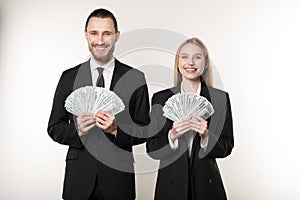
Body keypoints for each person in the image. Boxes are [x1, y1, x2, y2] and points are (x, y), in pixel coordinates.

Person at [48, 8, 150, 200]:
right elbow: (54, 127)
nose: (100, 40)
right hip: (78, 178)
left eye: (107, 33)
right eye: (94, 33)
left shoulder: (135, 78)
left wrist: (116, 130)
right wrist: (77, 131)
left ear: (117, 36)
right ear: (86, 35)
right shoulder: (69, 77)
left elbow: (144, 129)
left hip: (119, 179)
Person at [146, 37, 234, 200]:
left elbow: (227, 146)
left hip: (207, 187)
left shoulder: (220, 99)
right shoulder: (160, 98)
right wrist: (171, 136)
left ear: (205, 63)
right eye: (185, 57)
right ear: (178, 63)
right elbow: (152, 148)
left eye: (197, 57)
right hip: (170, 188)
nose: (190, 62)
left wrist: (207, 136)